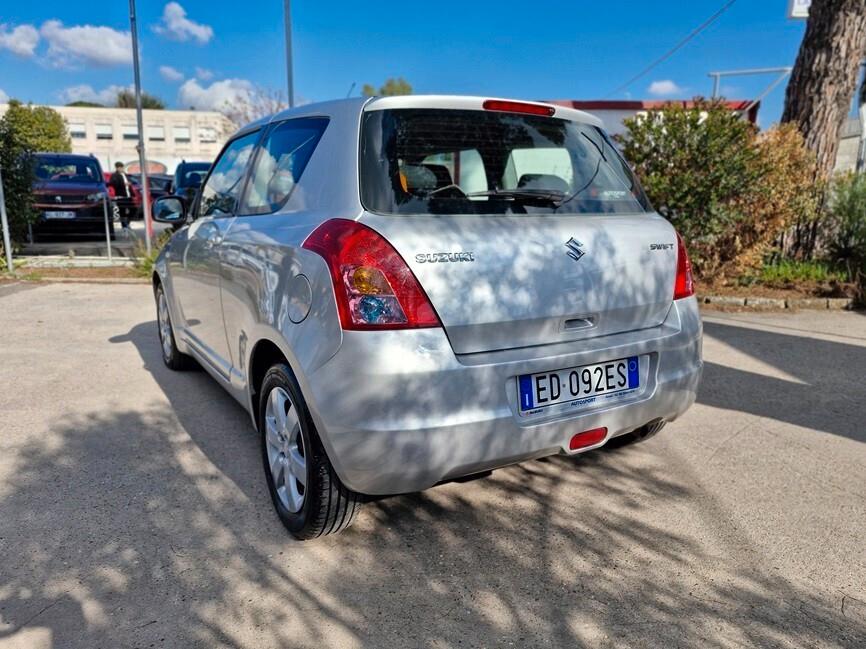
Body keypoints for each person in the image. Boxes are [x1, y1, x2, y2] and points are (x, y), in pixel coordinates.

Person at [108, 162, 134, 237]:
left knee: (133, 210)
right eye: (119, 167)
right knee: (122, 212)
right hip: (120, 196)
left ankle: (127, 223)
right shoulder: (114, 175)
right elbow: (113, 184)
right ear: (117, 168)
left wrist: (130, 184)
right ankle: (124, 227)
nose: (121, 169)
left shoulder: (125, 174)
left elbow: (130, 183)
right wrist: (124, 184)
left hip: (128, 195)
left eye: (122, 167)